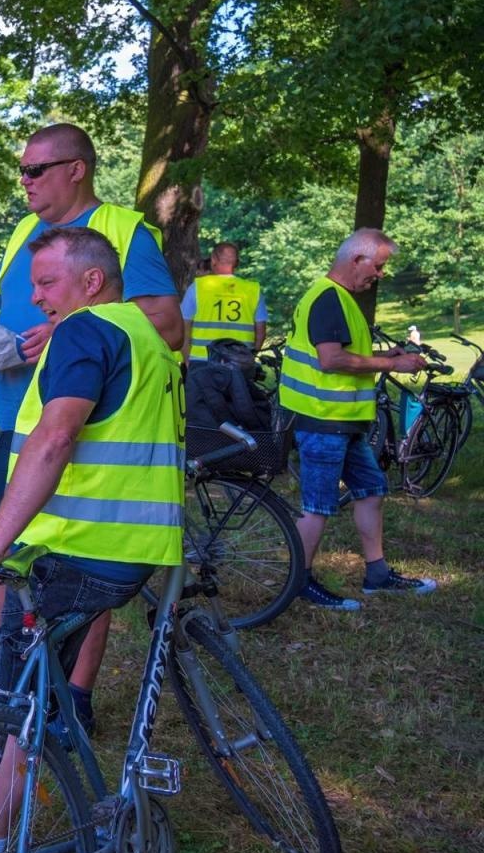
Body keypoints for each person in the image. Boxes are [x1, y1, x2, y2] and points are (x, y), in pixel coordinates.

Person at [0, 226, 184, 853]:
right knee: (32, 678)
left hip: (78, 547)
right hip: (137, 547)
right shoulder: (147, 338)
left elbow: (54, 440)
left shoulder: (85, 331)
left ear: (92, 281)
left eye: (47, 282)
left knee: (4, 687)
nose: (36, 297)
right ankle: (12, 809)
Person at [0, 122, 182, 721]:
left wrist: (68, 331)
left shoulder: (123, 231)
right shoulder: (24, 233)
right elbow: (22, 313)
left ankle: (69, 700)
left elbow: (166, 324)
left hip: (83, 428)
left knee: (74, 567)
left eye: (35, 169)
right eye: (21, 171)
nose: (24, 181)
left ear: (76, 169)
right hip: (18, 417)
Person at [280, 228, 437, 610]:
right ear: (356, 260)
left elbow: (344, 354)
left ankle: (377, 575)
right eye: (378, 266)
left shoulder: (339, 298)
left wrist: (387, 355)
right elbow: (330, 359)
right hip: (323, 422)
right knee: (318, 506)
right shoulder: (329, 298)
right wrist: (392, 364)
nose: (379, 275)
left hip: (342, 422)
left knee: (371, 490)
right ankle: (297, 583)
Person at [183, 241, 267, 362]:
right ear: (237, 263)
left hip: (202, 361)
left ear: (213, 259)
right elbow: (261, 333)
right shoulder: (253, 290)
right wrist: (250, 358)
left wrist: (187, 360)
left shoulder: (197, 287)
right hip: (239, 362)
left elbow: (184, 328)